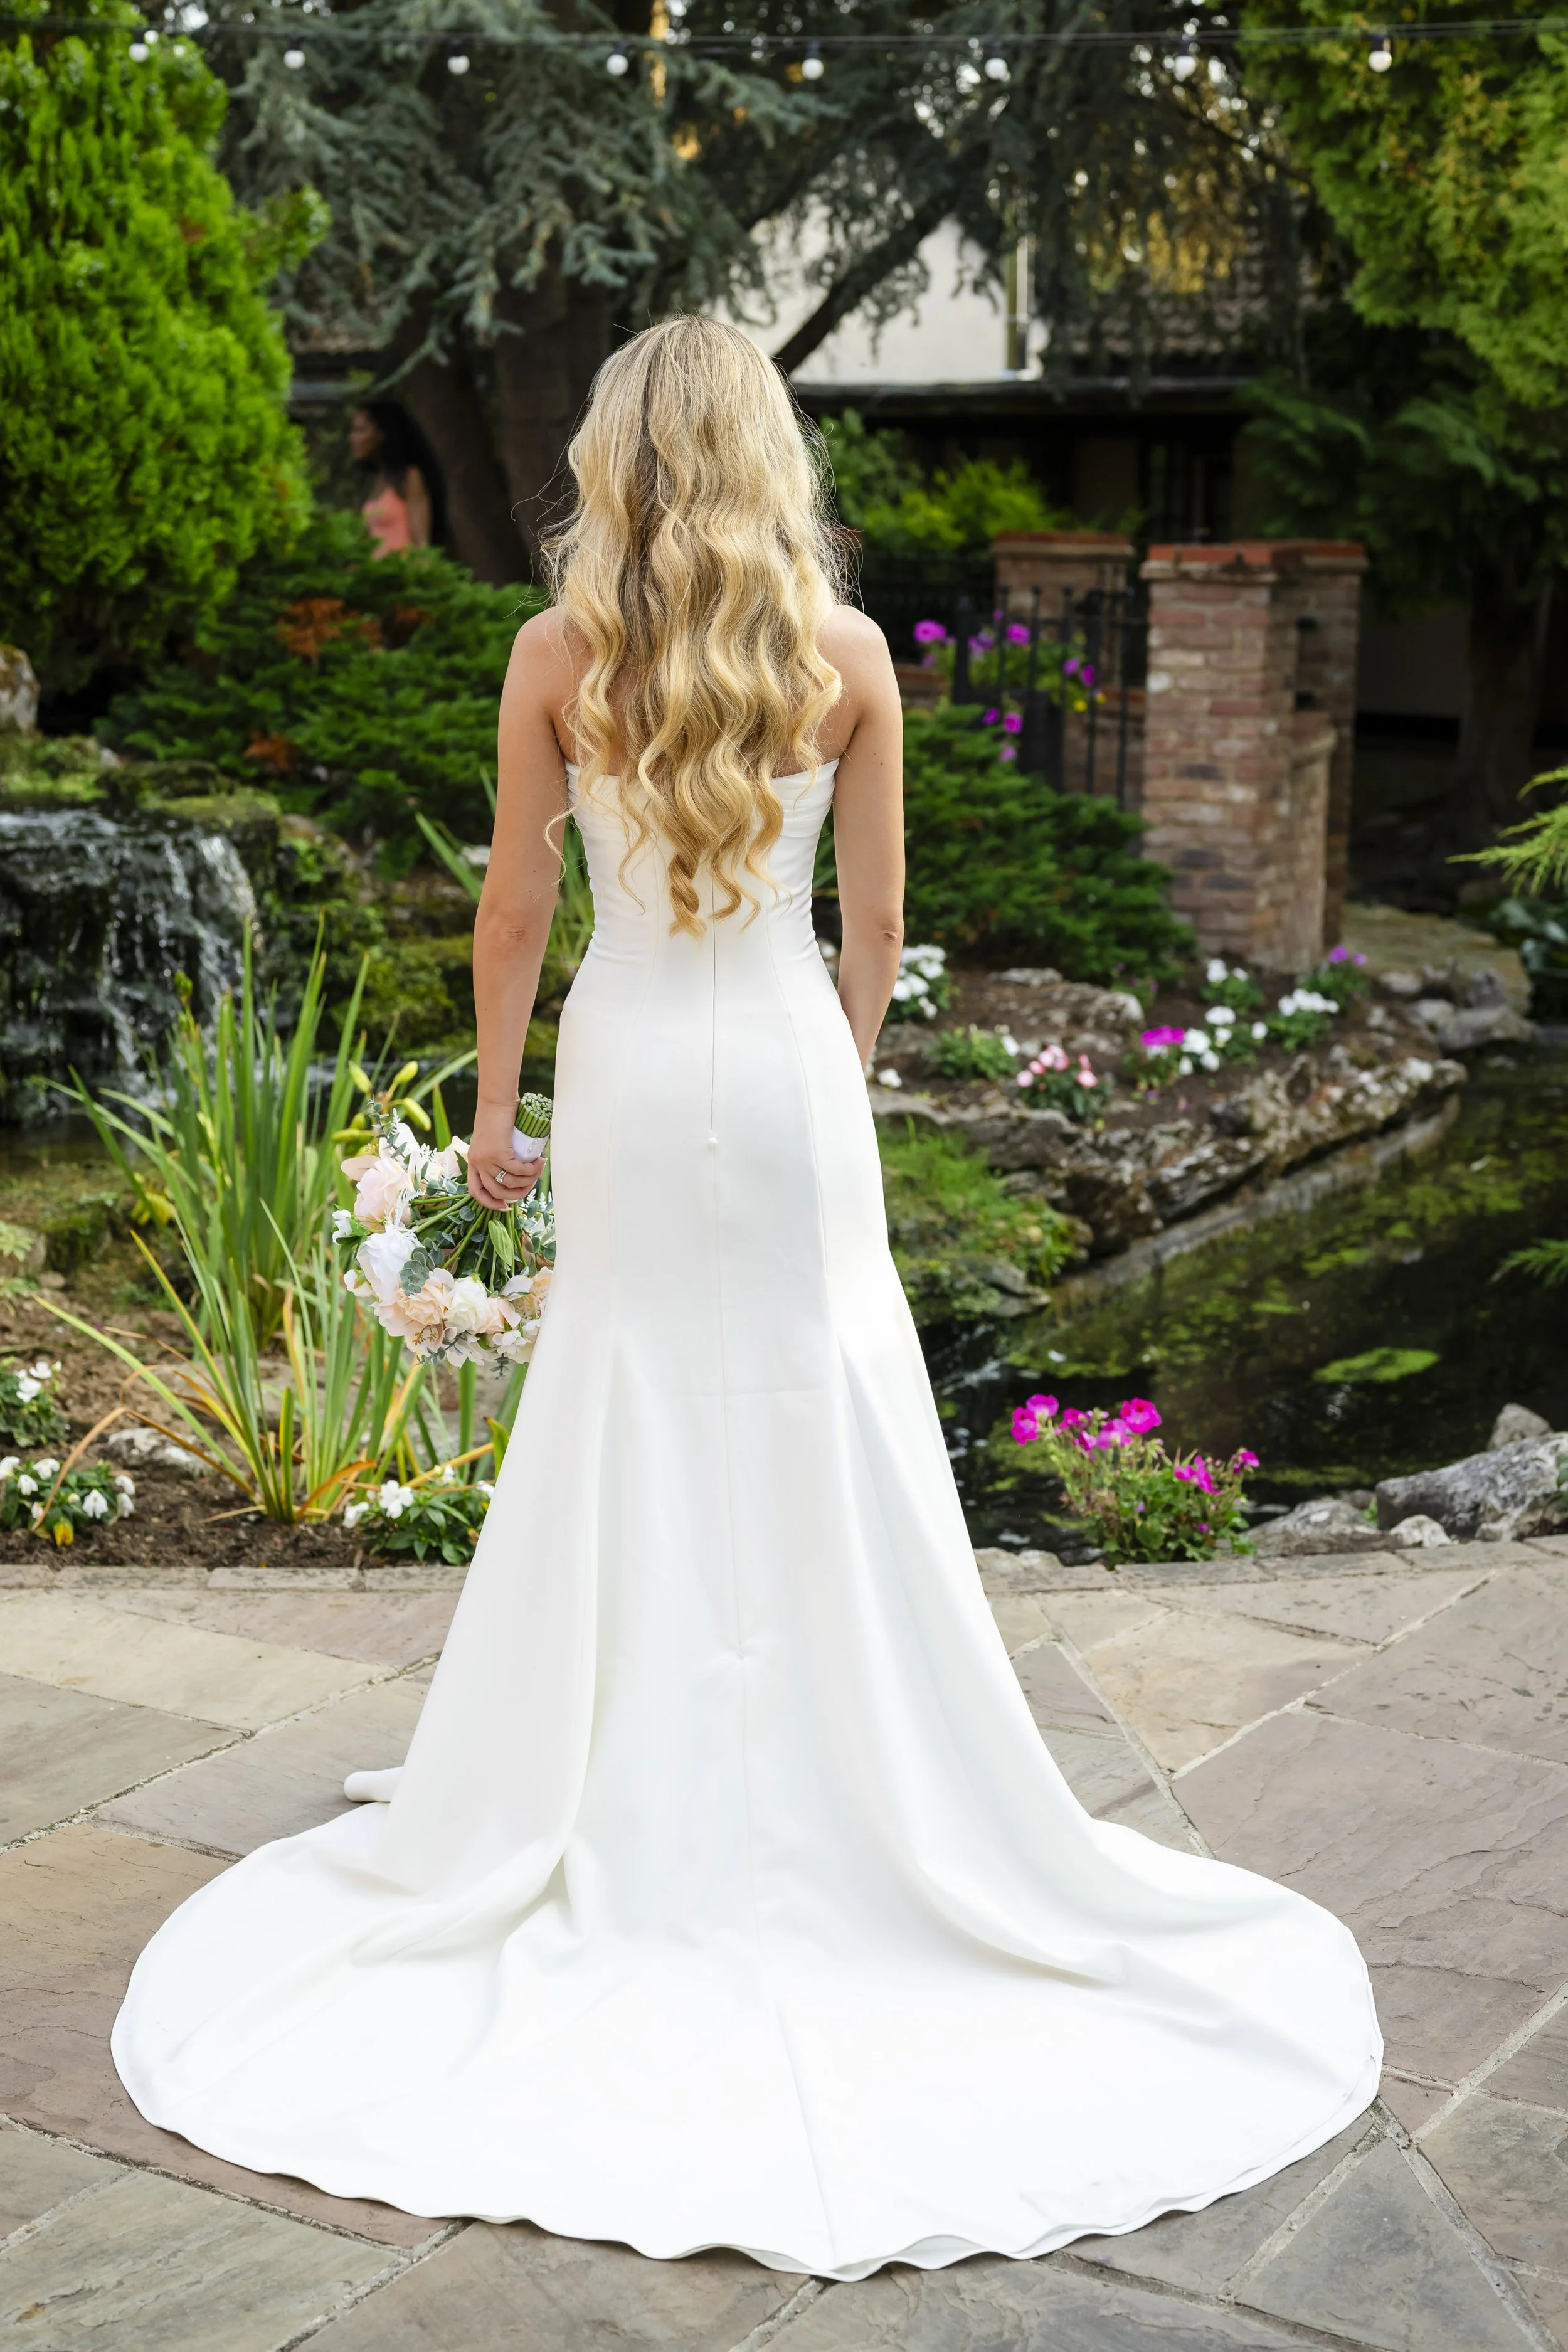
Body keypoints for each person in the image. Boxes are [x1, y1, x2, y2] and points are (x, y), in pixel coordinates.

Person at [112, 317, 1380, 2280]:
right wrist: (829, 1061)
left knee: (622, 1392)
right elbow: (872, 924)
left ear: (617, 455)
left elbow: (517, 904)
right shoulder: (844, 657)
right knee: (817, 1399)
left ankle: (606, 1764)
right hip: (782, 1067)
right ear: (770, 455)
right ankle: (855, 1772)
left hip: (627, 1057)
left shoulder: (557, 657)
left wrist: (490, 1104)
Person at [347, 400, 442, 555]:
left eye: (360, 431)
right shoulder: (378, 479)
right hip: (378, 576)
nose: (352, 438)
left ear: (382, 435)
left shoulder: (410, 477)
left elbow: (422, 545)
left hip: (402, 574)